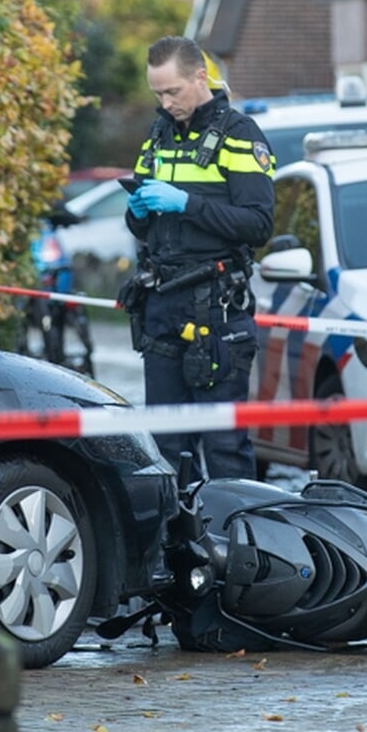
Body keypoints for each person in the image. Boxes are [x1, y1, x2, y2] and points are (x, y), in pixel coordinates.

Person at [119, 36, 274, 479]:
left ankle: (234, 525)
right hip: (162, 306)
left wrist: (186, 204)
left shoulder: (239, 135)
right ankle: (179, 527)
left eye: (173, 91)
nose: (166, 103)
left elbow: (258, 224)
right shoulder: (158, 136)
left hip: (216, 309)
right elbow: (143, 230)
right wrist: (138, 214)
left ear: (200, 78)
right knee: (167, 449)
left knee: (224, 447)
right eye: (158, 94)